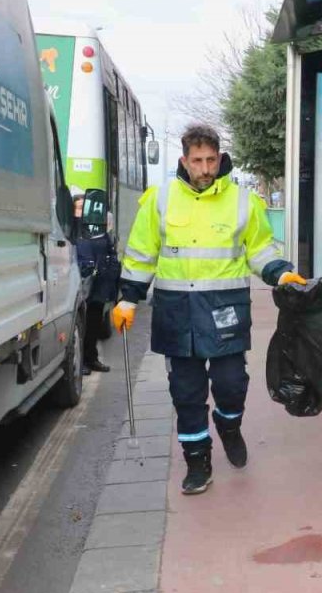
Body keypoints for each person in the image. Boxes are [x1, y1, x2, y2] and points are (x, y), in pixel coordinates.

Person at [111, 125, 306, 495]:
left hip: (224, 310)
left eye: (211, 160)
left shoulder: (243, 201)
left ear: (220, 159)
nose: (204, 168)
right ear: (184, 160)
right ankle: (197, 462)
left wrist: (281, 273)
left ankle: (229, 425)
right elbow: (141, 253)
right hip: (176, 311)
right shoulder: (160, 200)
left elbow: (260, 249)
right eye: (197, 160)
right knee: (186, 393)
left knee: (232, 385)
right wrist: (127, 298)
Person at [73, 194, 115, 374]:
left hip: (97, 285)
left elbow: (109, 251)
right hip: (80, 283)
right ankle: (80, 362)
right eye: (79, 207)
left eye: (85, 207)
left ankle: (91, 359)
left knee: (94, 325)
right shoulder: (71, 229)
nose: (82, 211)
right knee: (80, 327)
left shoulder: (97, 229)